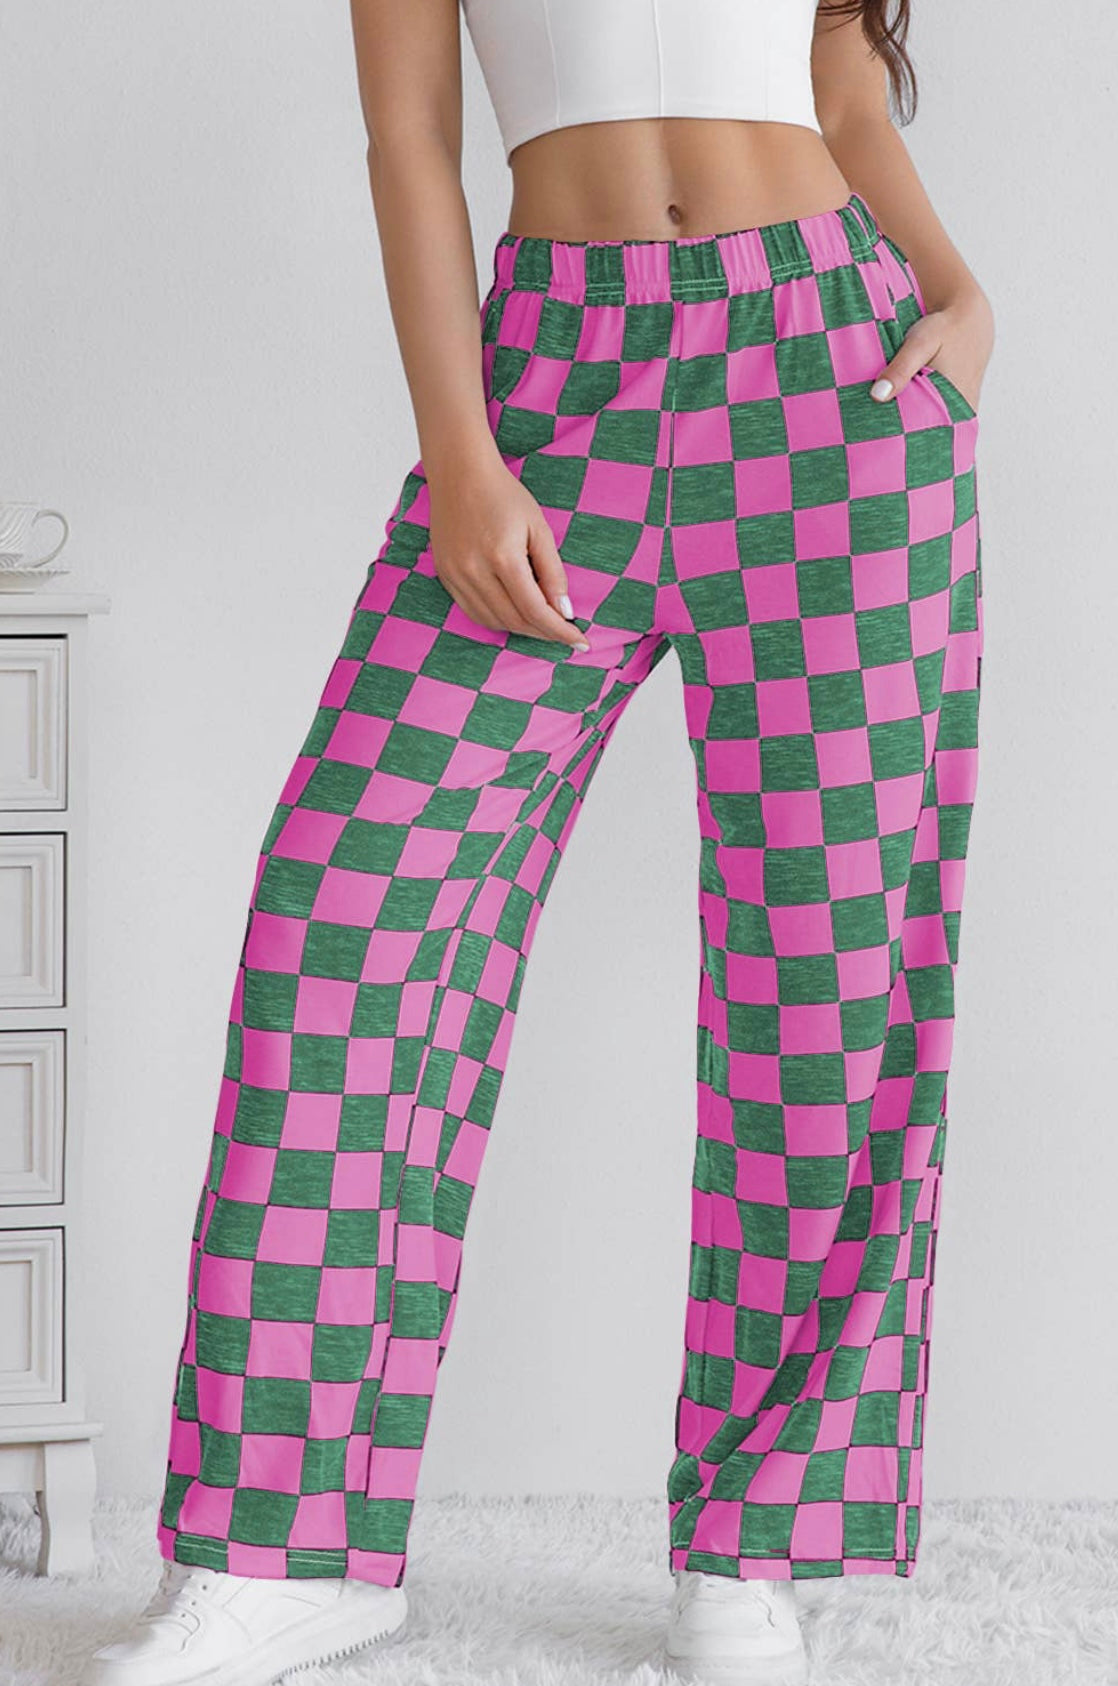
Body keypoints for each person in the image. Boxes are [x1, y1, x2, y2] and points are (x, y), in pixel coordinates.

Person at [79, 1, 993, 1683]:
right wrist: (459, 451)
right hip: (554, 378)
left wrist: (957, 290)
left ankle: (757, 1541)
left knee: (830, 974)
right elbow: (412, 140)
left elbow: (842, 88)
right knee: (343, 921)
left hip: (837, 377)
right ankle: (285, 1548)